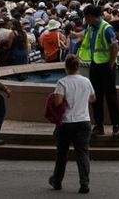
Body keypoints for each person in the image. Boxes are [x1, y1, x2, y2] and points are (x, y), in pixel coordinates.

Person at [49, 54, 95, 194]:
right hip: (84, 121)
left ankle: (57, 181)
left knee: (62, 154)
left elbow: (57, 102)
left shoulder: (62, 82)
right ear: (78, 66)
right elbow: (93, 98)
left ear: (66, 67)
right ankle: (84, 183)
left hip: (67, 122)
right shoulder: (86, 81)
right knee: (83, 153)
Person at [77, 5, 119, 137]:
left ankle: (116, 126)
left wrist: (111, 63)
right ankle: (98, 126)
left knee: (111, 97)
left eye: (85, 17)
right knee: (96, 97)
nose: (84, 20)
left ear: (90, 16)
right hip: (95, 65)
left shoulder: (106, 28)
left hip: (107, 67)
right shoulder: (91, 28)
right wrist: (76, 35)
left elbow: (115, 45)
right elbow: (84, 35)